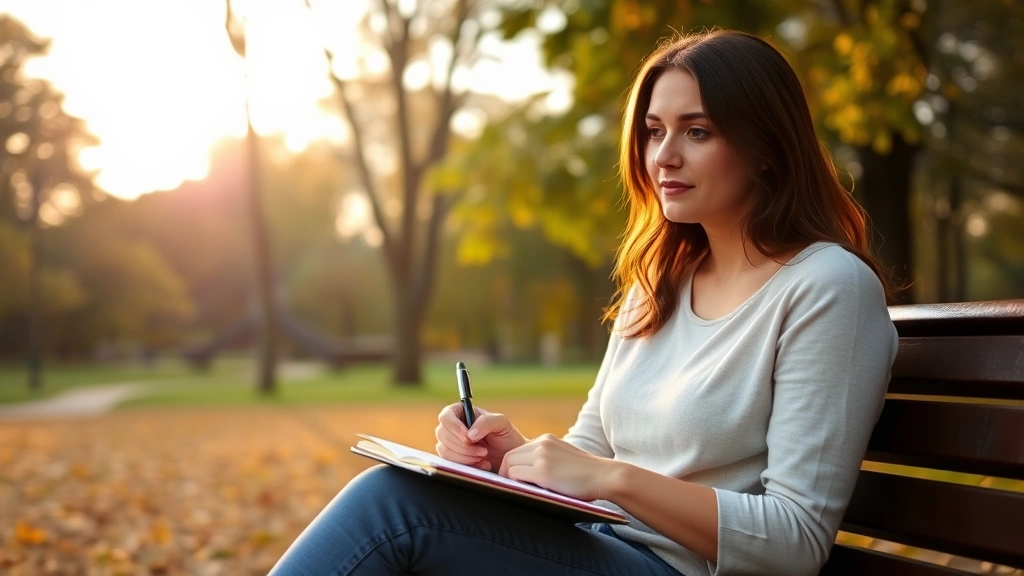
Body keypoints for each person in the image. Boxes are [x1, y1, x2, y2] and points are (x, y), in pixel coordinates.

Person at [269, 29, 898, 576]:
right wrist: (509, 456)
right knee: (402, 505)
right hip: (597, 547)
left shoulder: (826, 289)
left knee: (393, 510)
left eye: (697, 131)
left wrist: (610, 479)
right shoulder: (659, 283)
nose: (664, 157)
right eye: (654, 132)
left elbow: (795, 541)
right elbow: (590, 447)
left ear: (767, 149)